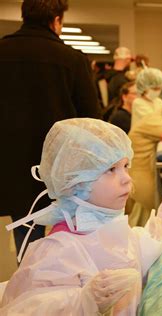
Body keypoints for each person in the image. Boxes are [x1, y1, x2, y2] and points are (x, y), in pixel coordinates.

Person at [1, 118, 162, 314]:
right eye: (111, 170)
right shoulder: (57, 252)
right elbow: (29, 308)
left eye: (126, 166)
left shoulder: (108, 227)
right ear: (76, 183)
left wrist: (153, 239)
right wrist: (82, 301)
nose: (126, 178)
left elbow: (127, 264)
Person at [0, 0, 101, 257]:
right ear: (56, 20)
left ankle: (29, 285)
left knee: (25, 231)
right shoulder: (72, 60)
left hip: (11, 164)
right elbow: (92, 120)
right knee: (65, 235)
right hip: (59, 168)